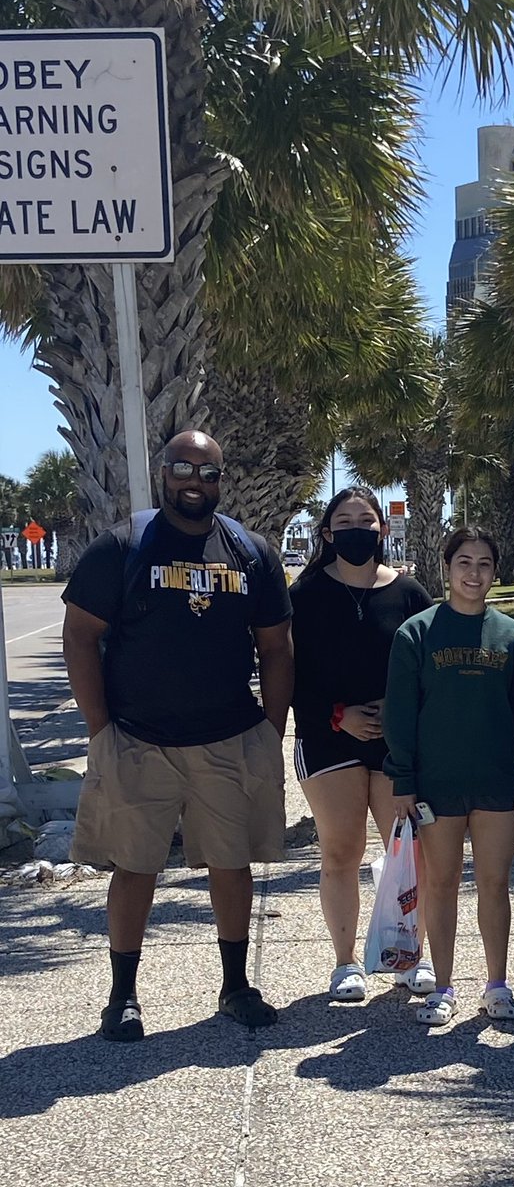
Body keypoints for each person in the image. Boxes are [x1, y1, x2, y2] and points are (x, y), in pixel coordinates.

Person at [63, 430, 293, 1041]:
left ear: (222, 479)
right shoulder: (122, 546)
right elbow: (81, 637)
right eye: (183, 468)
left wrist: (270, 730)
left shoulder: (250, 552)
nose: (194, 481)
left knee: (231, 863)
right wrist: (100, 730)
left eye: (208, 472)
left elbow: (276, 647)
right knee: (135, 867)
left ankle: (236, 985)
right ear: (163, 471)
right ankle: (122, 997)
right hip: (137, 738)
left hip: (227, 737)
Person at [383, 527, 514, 1027]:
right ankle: (444, 987)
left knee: (495, 885)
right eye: (464, 563)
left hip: (497, 783)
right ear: (447, 567)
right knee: (443, 884)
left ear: (495, 572)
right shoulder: (417, 633)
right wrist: (403, 781)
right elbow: (401, 715)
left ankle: (496, 985)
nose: (473, 573)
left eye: (483, 564)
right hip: (437, 785)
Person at [290, 488, 434, 1002]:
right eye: (344, 520)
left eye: (366, 520)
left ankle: (408, 956)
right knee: (341, 850)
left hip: (396, 745)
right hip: (328, 741)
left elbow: (428, 673)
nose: (357, 528)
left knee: (406, 853)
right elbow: (288, 676)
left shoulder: (411, 595)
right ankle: (345, 963)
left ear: (382, 529)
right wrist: (338, 715)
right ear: (327, 534)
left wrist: (399, 718)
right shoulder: (304, 596)